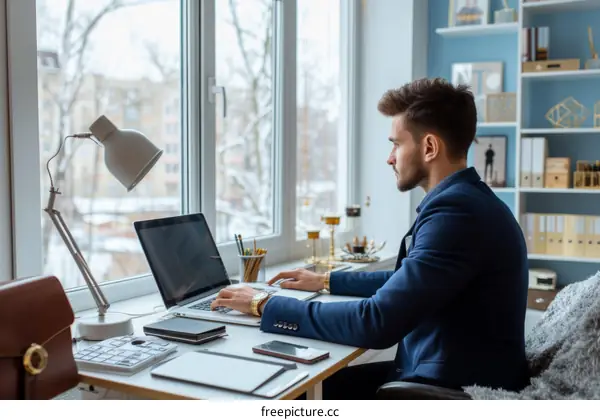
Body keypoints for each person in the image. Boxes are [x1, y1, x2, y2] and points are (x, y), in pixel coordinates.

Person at [211, 78, 530, 399]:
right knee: (308, 387)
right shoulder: (469, 199)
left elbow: (376, 322)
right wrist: (325, 281)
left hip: (450, 389)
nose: (390, 157)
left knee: (292, 395)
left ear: (429, 147)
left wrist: (263, 303)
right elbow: (407, 281)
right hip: (451, 371)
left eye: (396, 144)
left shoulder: (456, 213)